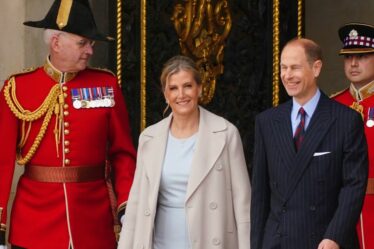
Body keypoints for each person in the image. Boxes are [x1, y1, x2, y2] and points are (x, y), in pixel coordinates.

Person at [0, 0, 136, 248]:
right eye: (82, 43)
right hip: (34, 225)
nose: (90, 51)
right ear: (56, 43)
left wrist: (126, 205)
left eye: (91, 44)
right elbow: (2, 161)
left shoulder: (106, 85)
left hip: (93, 223)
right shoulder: (17, 87)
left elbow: (123, 153)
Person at [117, 55, 251, 249]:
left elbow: (243, 202)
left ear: (199, 88)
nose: (181, 94)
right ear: (165, 94)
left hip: (209, 241)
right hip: (159, 243)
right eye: (173, 88)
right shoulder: (149, 138)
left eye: (187, 86)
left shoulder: (226, 133)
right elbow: (137, 202)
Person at [251, 38, 368, 249]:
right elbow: (260, 195)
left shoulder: (345, 120)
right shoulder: (267, 121)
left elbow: (354, 185)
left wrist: (335, 236)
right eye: (283, 68)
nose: (287, 75)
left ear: (316, 68)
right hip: (278, 241)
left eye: (295, 68)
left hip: (325, 241)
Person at [332, 22, 374, 249]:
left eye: (363, 56)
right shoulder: (331, 105)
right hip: (338, 209)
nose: (354, 63)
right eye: (348, 57)